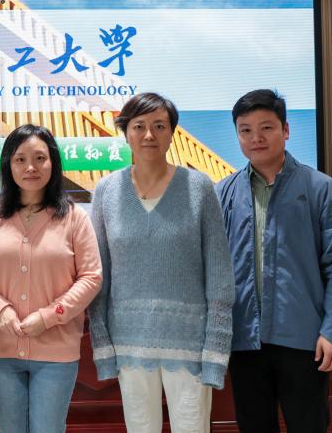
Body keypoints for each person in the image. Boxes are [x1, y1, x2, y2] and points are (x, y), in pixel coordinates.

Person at [215, 89, 332, 433]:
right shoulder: (222, 193)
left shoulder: (321, 189)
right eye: (245, 130)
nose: (256, 138)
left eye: (266, 127)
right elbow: (212, 269)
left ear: (286, 130)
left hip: (304, 340)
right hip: (244, 340)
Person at [87, 92, 234, 433]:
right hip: (128, 344)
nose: (149, 135)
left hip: (190, 345)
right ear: (126, 133)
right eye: (139, 126)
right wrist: (103, 347)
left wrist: (215, 351)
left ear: (171, 134)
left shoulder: (199, 188)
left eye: (159, 126)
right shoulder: (106, 191)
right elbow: (99, 274)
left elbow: (219, 273)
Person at [0, 124, 102, 433]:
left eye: (40, 158)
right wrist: (0, 309)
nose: (30, 167)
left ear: (53, 162)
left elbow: (91, 277)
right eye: (20, 159)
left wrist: (50, 316)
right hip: (1, 350)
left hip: (56, 352)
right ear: (8, 164)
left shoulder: (75, 218)